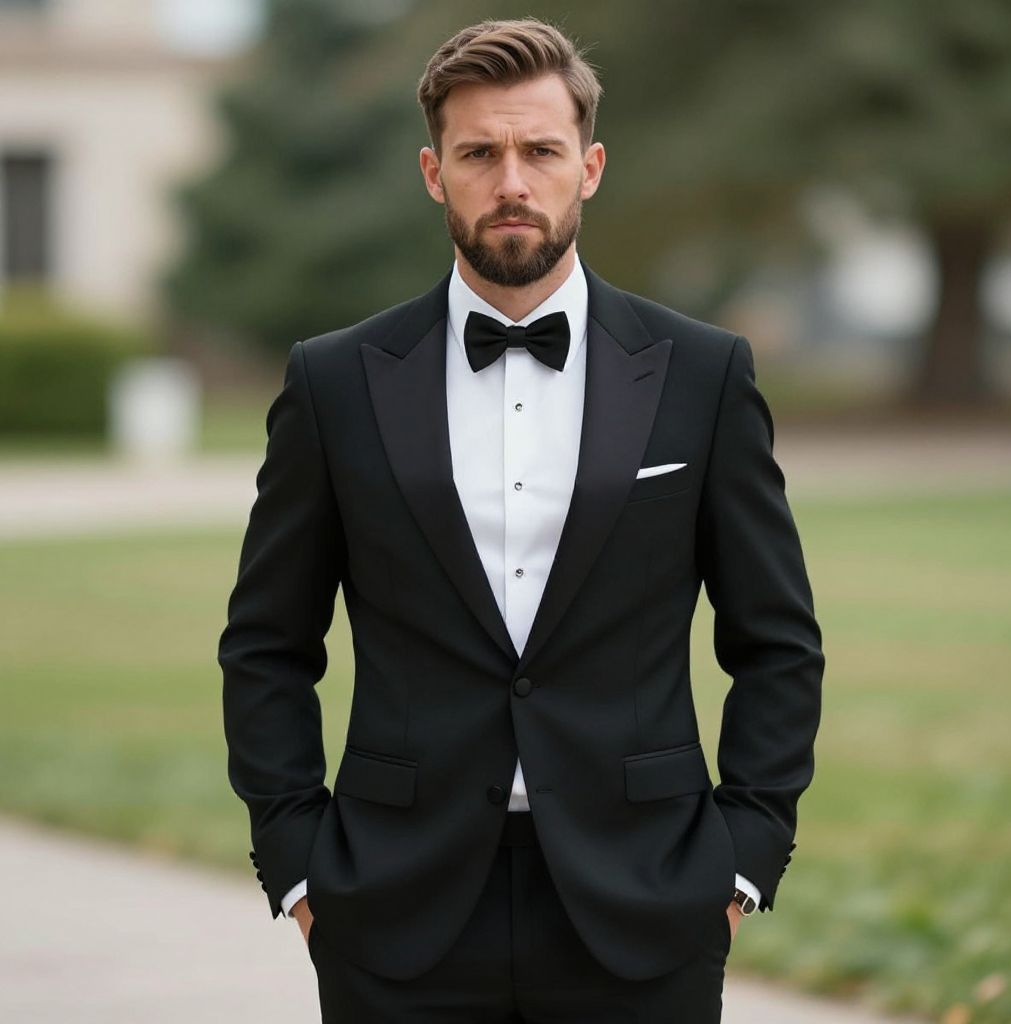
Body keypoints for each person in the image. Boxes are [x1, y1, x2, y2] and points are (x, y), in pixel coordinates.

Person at [219, 16, 825, 1023]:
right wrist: (297, 866)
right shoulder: (333, 382)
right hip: (391, 909)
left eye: (539, 150)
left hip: (647, 901)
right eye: (479, 152)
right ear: (432, 171)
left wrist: (743, 859)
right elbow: (266, 644)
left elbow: (776, 640)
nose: (511, 179)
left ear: (587, 167)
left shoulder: (703, 373)